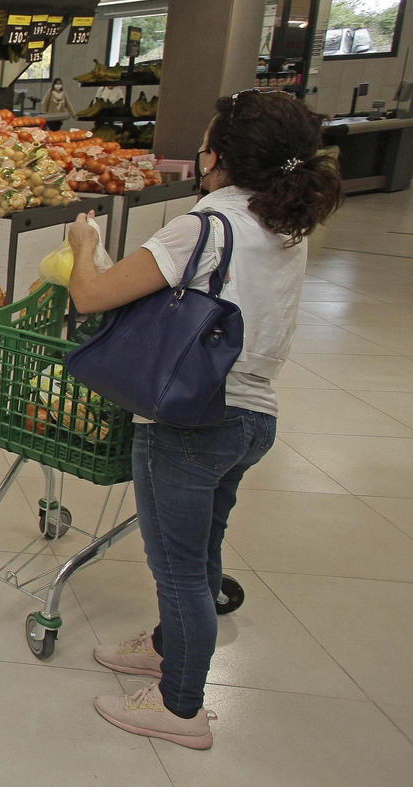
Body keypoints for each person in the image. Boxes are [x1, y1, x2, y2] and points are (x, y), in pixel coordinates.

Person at [64, 89, 343, 750]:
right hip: (253, 415)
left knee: (180, 570)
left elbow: (92, 293)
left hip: (192, 420)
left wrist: (85, 240)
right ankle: (165, 646)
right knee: (204, 549)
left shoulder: (205, 224)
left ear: (216, 155)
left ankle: (180, 704)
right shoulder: (281, 221)